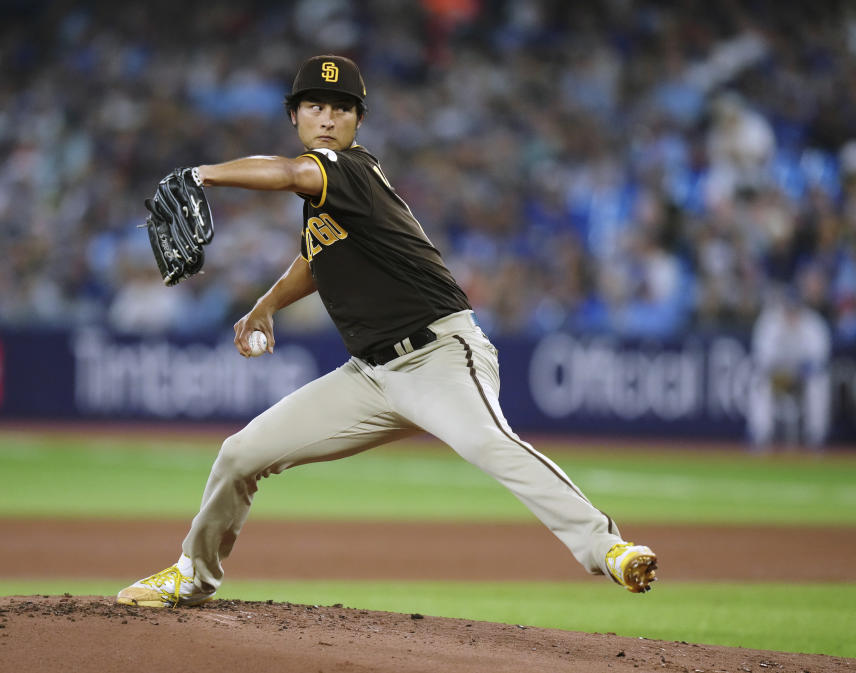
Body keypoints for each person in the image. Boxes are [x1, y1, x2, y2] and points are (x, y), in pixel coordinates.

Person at [116, 55, 657, 607]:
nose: (328, 117)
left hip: (441, 355)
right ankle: (193, 573)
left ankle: (607, 547)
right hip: (369, 377)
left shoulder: (347, 169)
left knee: (487, 443)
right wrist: (266, 304)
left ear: (358, 120)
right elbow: (314, 255)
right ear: (295, 114)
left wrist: (203, 174)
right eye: (315, 106)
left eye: (342, 108)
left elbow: (287, 173)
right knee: (239, 454)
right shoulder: (330, 200)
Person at [747, 288, 832, 449]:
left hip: (803, 379)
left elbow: (820, 360)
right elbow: (762, 359)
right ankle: (761, 436)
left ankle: (816, 437)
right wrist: (781, 371)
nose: (791, 314)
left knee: (819, 383)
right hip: (778, 378)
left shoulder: (813, 324)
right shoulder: (770, 323)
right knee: (758, 382)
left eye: (795, 309)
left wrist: (800, 371)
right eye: (789, 309)